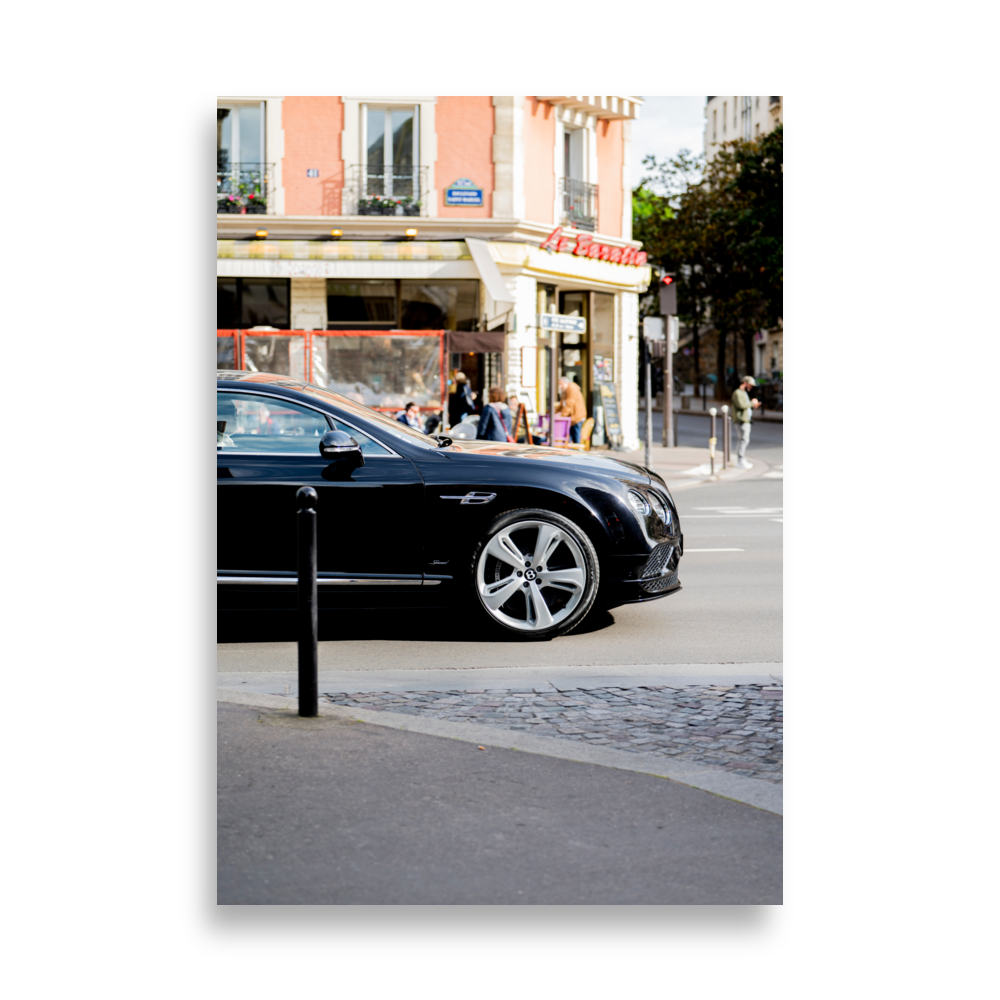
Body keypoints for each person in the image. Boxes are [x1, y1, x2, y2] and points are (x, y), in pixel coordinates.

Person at [731, 375, 761, 469]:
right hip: (741, 420)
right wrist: (752, 403)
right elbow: (741, 405)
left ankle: (741, 459)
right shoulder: (738, 393)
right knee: (743, 440)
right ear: (745, 383)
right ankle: (740, 460)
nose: (751, 387)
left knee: (744, 440)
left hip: (745, 419)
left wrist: (753, 405)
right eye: (750, 385)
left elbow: (744, 405)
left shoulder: (743, 393)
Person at [556, 376, 587, 443]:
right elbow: (562, 404)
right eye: (559, 385)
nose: (560, 386)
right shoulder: (566, 391)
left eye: (561, 384)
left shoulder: (572, 390)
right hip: (572, 418)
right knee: (568, 439)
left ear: (567, 383)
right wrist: (555, 413)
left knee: (575, 440)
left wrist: (561, 416)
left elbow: (569, 404)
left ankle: (577, 452)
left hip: (576, 418)